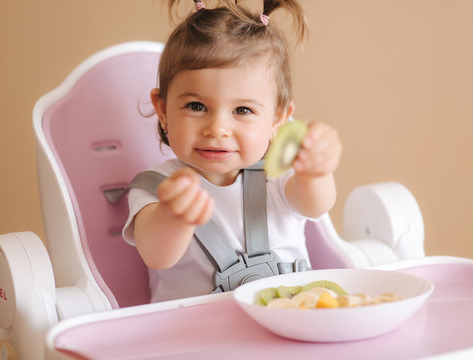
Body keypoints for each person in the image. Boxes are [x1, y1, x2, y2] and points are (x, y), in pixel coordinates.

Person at [123, 0, 342, 303]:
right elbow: (157, 255)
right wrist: (176, 215)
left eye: (242, 109)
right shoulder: (158, 187)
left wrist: (316, 173)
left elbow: (315, 205)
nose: (217, 128)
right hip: (197, 340)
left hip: (288, 328)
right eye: (196, 106)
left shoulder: (277, 174)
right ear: (162, 109)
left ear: (277, 118)